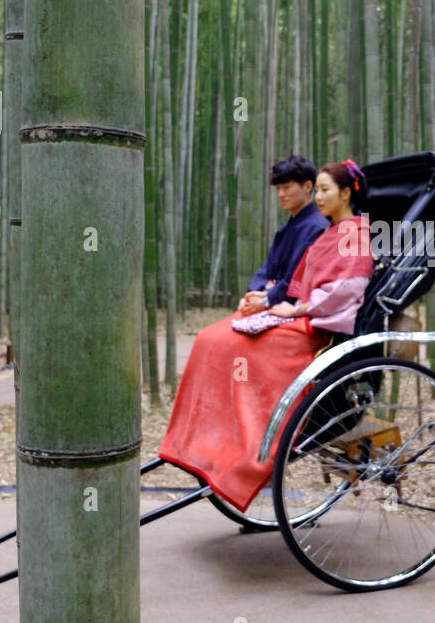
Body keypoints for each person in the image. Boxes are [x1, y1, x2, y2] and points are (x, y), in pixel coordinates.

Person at [159, 161, 374, 511]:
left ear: (346, 193)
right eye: (317, 190)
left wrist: (297, 308)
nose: (318, 197)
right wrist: (271, 301)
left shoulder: (353, 233)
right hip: (300, 315)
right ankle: (211, 439)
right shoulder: (334, 230)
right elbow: (295, 279)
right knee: (214, 340)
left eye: (324, 190)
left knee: (233, 345)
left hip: (318, 328)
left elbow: (346, 289)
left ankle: (249, 445)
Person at [238, 156, 330, 315]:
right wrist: (250, 295)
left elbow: (296, 280)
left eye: (287, 187)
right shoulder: (285, 230)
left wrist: (266, 300)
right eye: (278, 188)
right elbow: (267, 270)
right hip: (271, 301)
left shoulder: (317, 228)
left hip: (294, 308)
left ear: (307, 186)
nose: (281, 194)